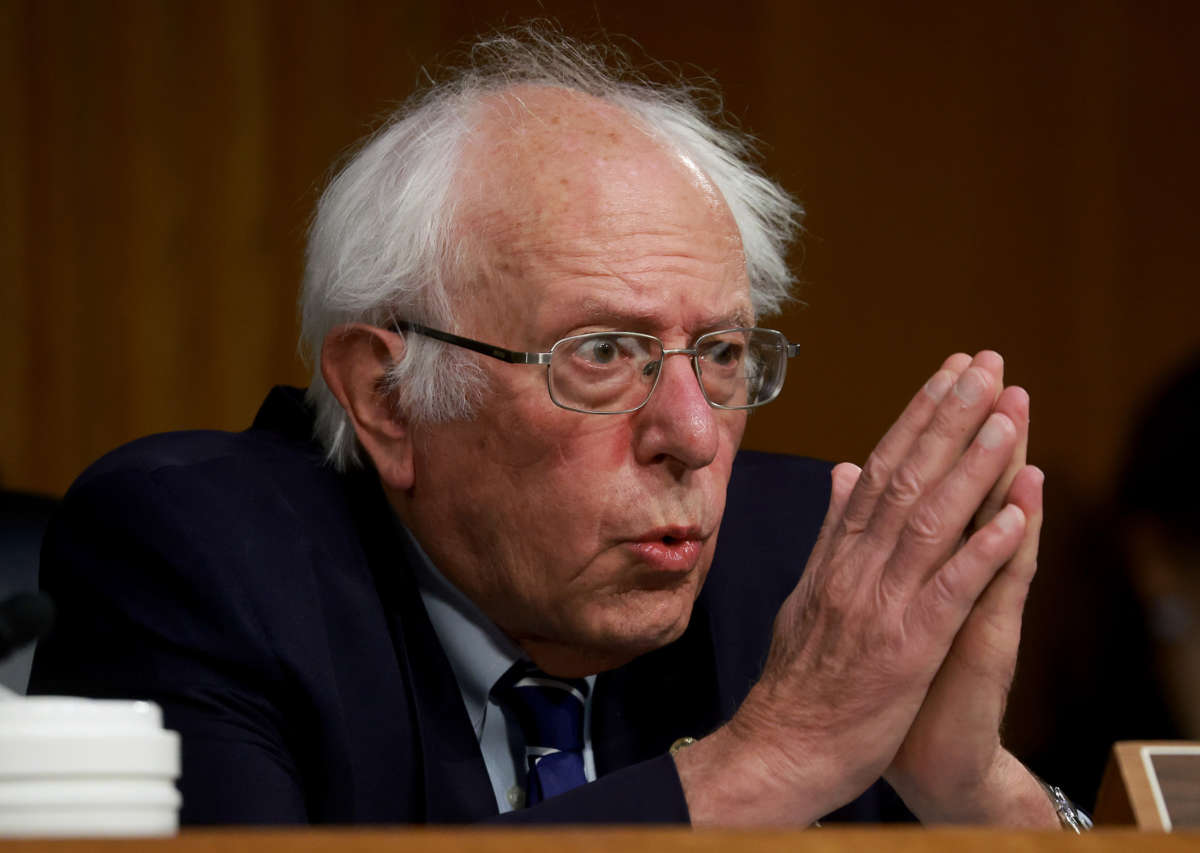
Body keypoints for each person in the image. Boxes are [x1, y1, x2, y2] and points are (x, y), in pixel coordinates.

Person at [29, 28, 1083, 828]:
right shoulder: (200, 557)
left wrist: (974, 791)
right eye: (603, 354)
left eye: (719, 354)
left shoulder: (802, 571)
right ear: (386, 398)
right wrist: (766, 763)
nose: (694, 433)